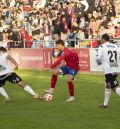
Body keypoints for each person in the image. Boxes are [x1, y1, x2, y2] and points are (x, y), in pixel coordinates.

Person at [96, 34, 120, 108]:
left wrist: (99, 62)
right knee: (108, 86)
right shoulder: (116, 46)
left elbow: (98, 58)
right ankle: (105, 104)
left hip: (109, 70)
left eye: (101, 39)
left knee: (114, 87)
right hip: (116, 68)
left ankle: (105, 104)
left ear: (103, 39)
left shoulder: (102, 46)